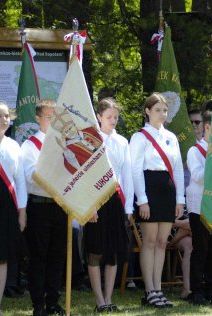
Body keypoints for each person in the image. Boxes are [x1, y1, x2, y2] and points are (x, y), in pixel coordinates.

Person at [129, 93, 184, 308]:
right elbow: (135, 169)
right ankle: (149, 290)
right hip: (149, 188)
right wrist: (142, 199)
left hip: (168, 191)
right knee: (149, 242)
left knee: (162, 242)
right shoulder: (140, 137)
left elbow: (178, 169)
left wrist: (180, 199)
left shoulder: (171, 136)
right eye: (158, 110)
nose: (162, 114)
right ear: (147, 111)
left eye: (164, 110)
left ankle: (158, 289)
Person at [83, 98, 133, 313]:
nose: (113, 120)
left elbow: (127, 175)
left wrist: (129, 207)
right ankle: (98, 299)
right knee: (95, 250)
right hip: (96, 200)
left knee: (113, 252)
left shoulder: (122, 142)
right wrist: (89, 204)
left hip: (116, 200)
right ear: (99, 117)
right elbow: (85, 174)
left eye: (116, 117)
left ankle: (109, 298)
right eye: (109, 117)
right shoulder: (91, 139)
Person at [21, 99, 67, 316]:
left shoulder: (64, 143)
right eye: (49, 116)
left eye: (55, 116)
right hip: (39, 206)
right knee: (39, 257)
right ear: (38, 118)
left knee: (58, 256)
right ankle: (38, 303)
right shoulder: (30, 145)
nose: (52, 120)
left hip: (60, 206)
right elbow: (32, 176)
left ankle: (53, 301)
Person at [0, 101, 27, 316]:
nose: (4, 120)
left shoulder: (14, 145)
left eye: (7, 116)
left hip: (7, 204)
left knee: (1, 258)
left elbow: (20, 181)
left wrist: (22, 210)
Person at [186, 110, 212, 306]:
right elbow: (198, 176)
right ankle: (196, 290)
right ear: (207, 128)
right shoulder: (195, 151)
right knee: (201, 249)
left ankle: (211, 288)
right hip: (199, 205)